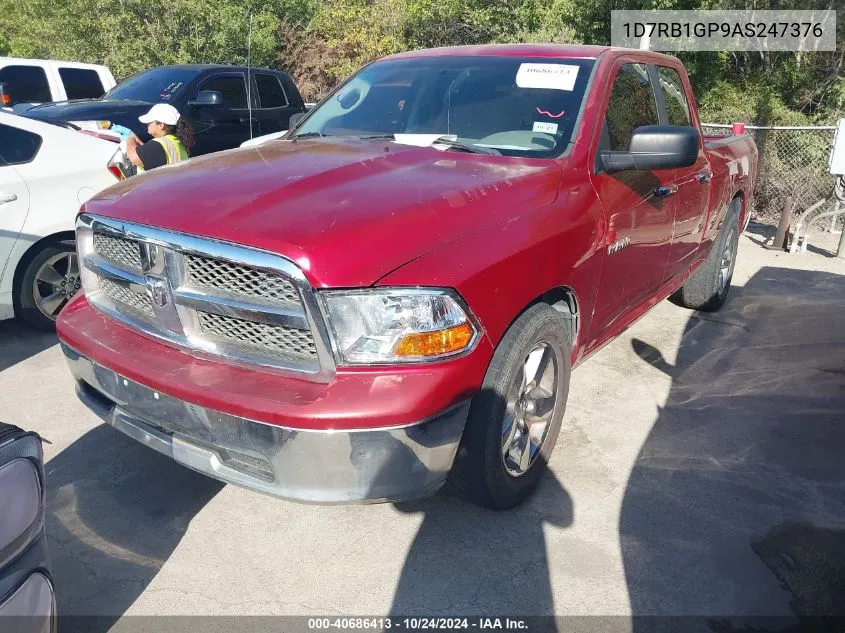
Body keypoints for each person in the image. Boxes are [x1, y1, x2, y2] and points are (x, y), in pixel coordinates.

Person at [126, 103, 192, 172]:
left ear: (161, 125)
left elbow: (133, 157)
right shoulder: (175, 141)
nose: (147, 124)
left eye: (150, 122)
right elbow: (152, 154)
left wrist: (130, 139)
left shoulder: (159, 145)